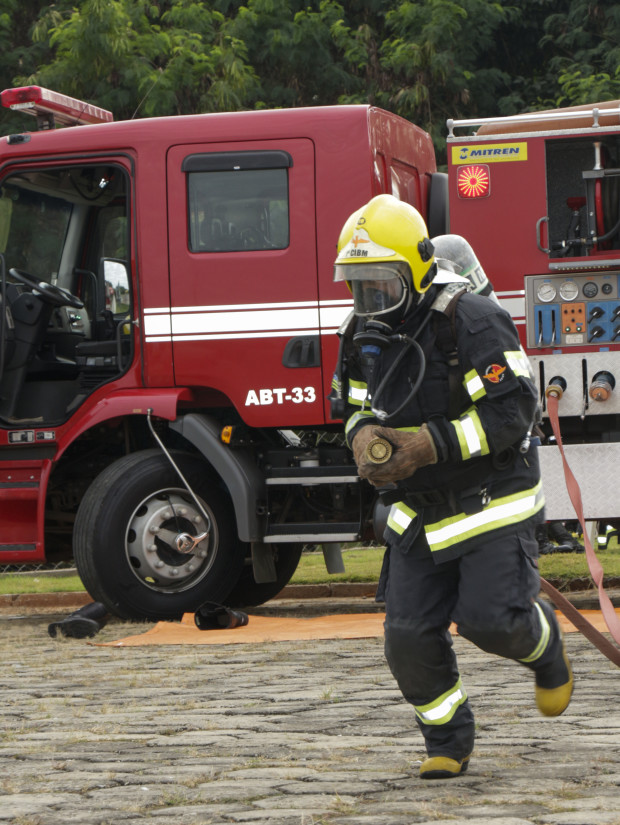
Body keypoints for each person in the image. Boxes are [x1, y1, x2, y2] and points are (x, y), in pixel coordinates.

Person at [330, 194, 573, 780]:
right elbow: (353, 406)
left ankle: (543, 643)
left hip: (492, 499)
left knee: (492, 621)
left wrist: (429, 444)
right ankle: (447, 740)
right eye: (358, 286)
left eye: (381, 284)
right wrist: (362, 438)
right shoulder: (359, 334)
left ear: (417, 270)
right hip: (417, 512)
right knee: (407, 639)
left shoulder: (472, 320)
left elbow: (513, 411)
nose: (369, 299)